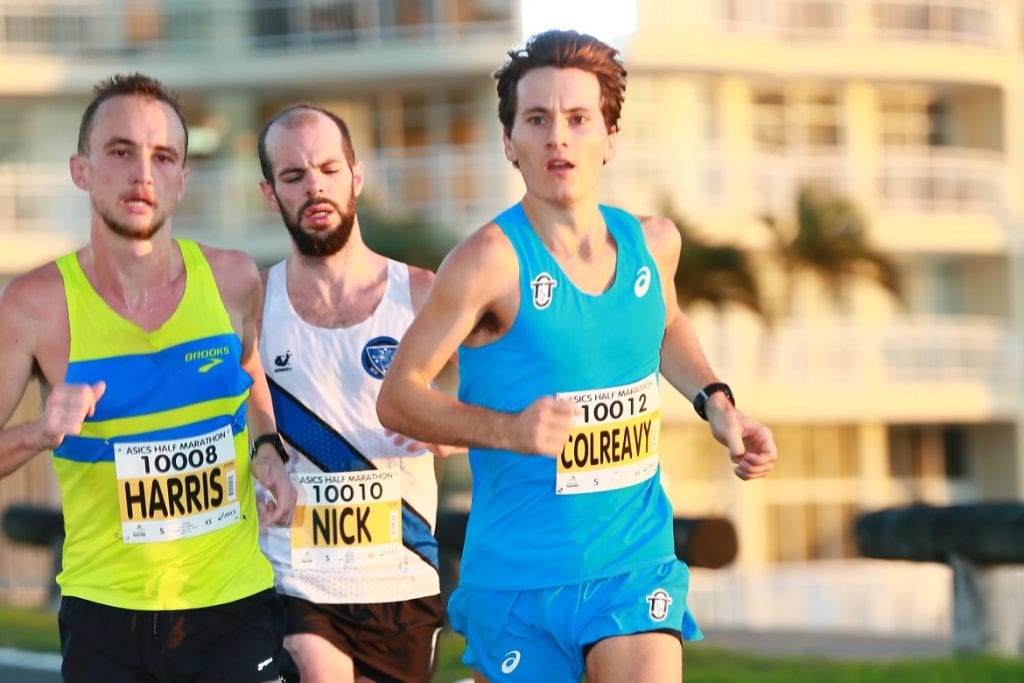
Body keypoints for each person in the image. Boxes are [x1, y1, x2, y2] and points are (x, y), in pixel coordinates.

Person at [376, 29, 778, 682]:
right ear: (511, 142)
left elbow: (666, 323)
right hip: (520, 580)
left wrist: (718, 405)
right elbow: (399, 395)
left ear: (608, 138)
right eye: (537, 120)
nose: (557, 137)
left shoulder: (654, 244)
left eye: (577, 118)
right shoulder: (487, 262)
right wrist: (507, 429)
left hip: (631, 559)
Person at [0, 73, 296, 683]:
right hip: (107, 615)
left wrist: (266, 447)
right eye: (120, 152)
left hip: (233, 606)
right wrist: (38, 433)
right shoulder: (34, 306)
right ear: (81, 170)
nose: (143, 174)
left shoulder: (233, 279)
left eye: (163, 157)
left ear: (181, 180)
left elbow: (251, 376)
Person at [255, 104, 450, 683]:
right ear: (271, 194)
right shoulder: (253, 304)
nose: (314, 186)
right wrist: (262, 454)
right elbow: (235, 404)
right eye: (293, 176)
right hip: (298, 578)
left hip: (403, 573)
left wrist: (444, 435)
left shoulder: (420, 293)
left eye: (327, 168)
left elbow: (486, 409)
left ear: (356, 176)